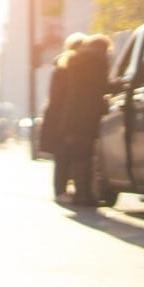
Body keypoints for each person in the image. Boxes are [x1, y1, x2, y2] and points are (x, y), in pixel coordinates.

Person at [60, 33, 111, 206]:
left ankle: (81, 193)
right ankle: (86, 194)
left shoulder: (77, 61)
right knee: (86, 156)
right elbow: (100, 87)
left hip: (74, 115)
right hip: (87, 116)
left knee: (78, 156)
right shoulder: (96, 62)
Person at [39, 33, 84, 202]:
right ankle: (60, 192)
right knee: (62, 155)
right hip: (60, 118)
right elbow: (60, 97)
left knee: (64, 155)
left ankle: (62, 190)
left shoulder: (62, 67)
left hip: (58, 117)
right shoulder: (65, 68)